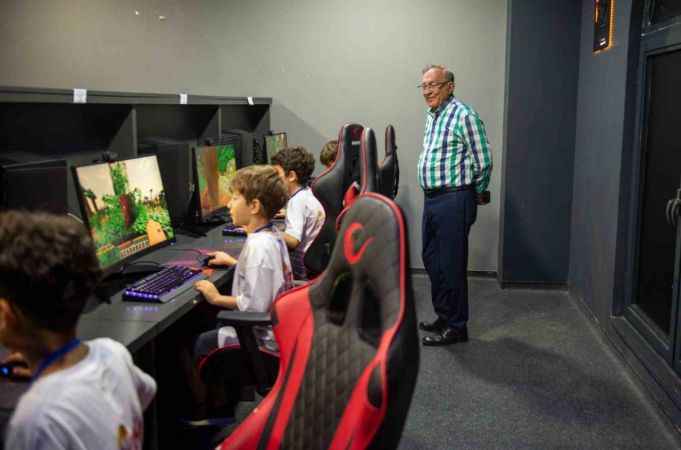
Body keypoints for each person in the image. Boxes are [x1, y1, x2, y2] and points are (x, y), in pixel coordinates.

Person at [0, 211, 156, 449]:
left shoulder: (36, 419)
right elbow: (145, 392)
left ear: (7, 315)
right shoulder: (114, 353)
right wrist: (54, 375)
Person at [417, 64, 493, 346]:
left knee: (451, 265)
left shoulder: (464, 115)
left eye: (433, 85)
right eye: (424, 86)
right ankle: (444, 316)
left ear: (450, 86)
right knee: (432, 260)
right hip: (433, 198)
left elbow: (483, 161)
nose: (427, 91)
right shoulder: (432, 115)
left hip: (454, 199)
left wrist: (476, 193)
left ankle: (457, 327)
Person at [193, 164, 293, 356]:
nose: (229, 205)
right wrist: (234, 263)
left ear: (254, 206)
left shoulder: (258, 247)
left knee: (200, 342)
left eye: (234, 198)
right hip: (278, 333)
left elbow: (252, 307)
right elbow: (265, 275)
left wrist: (216, 298)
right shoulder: (272, 234)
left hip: (261, 343)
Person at [271, 146, 325, 280]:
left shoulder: (296, 202)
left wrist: (268, 230)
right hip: (315, 262)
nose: (275, 180)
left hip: (302, 268)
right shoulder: (306, 192)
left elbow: (293, 241)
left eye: (277, 175)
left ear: (291, 176)